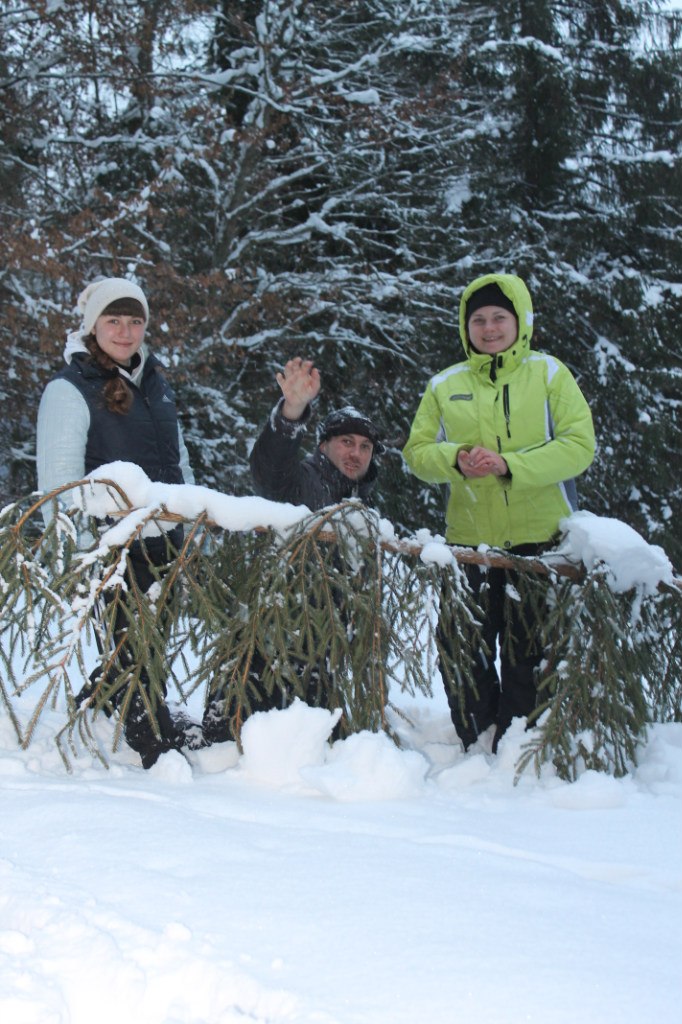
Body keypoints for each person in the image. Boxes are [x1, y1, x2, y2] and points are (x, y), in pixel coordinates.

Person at [403, 272, 595, 753]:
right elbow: (417, 452)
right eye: (479, 319)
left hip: (540, 542)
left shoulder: (549, 374)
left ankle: (521, 749)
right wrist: (457, 458)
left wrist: (512, 464)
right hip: (468, 545)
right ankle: (476, 740)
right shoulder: (445, 385)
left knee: (528, 654)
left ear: (520, 321)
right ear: (466, 327)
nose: (489, 328)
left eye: (499, 318)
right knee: (461, 650)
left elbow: (579, 446)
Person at [36, 276, 196, 768]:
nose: (125, 332)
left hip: (164, 536)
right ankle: (149, 738)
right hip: (114, 542)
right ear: (93, 326)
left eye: (135, 321)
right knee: (134, 641)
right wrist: (87, 554)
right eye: (113, 320)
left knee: (150, 639)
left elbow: (180, 461)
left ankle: (102, 707)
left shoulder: (156, 384)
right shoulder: (69, 390)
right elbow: (58, 485)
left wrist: (189, 524)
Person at [202, 356, 384, 743]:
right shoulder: (302, 482)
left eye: (365, 446)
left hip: (321, 649)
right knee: (233, 738)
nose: (356, 453)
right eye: (346, 442)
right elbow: (270, 470)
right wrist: (292, 411)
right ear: (323, 446)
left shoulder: (362, 511)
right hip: (269, 641)